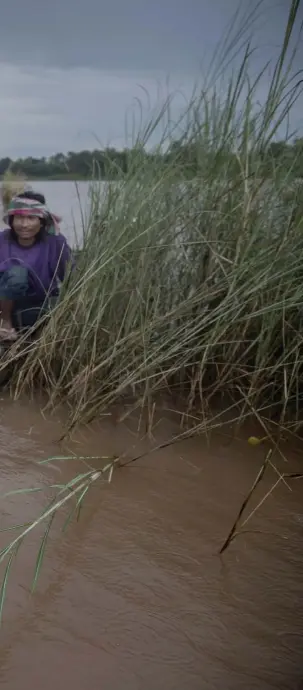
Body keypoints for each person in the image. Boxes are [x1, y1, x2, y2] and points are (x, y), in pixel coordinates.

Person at [0, 192, 72, 341]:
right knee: (17, 274)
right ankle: (5, 325)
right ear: (12, 220)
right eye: (19, 218)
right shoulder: (2, 240)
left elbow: (71, 276)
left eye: (31, 218)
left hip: (39, 307)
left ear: (41, 221)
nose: (24, 225)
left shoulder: (55, 242)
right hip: (5, 306)